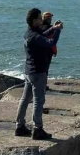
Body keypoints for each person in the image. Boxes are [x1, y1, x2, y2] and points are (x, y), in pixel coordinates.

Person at [15, 8, 63, 140]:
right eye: (39, 18)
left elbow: (43, 35)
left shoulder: (29, 33)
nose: (42, 20)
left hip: (29, 71)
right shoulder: (35, 36)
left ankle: (19, 126)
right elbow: (50, 42)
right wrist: (58, 30)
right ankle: (38, 129)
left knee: (25, 99)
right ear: (35, 20)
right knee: (38, 101)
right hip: (38, 72)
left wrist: (53, 28)